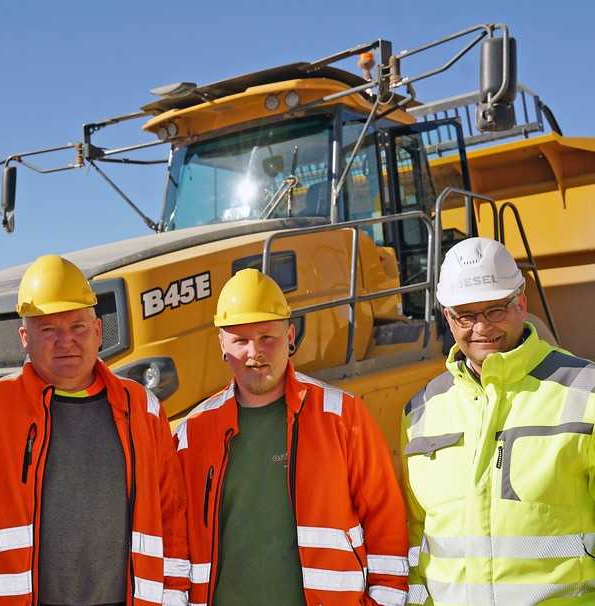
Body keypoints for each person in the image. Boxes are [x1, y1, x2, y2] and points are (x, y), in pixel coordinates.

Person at [0, 254, 188, 606]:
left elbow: (173, 518)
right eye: (48, 329)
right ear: (25, 337)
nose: (65, 341)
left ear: (99, 331)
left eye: (78, 327)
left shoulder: (142, 409)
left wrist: (173, 599)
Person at [174, 268, 409, 606]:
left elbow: (386, 524)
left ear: (290, 335)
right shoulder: (192, 434)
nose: (254, 352)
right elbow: (175, 543)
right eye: (240, 340)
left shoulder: (342, 416)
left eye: (267, 336)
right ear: (222, 345)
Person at [403, 237, 595, 605]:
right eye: (466, 315)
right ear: (448, 317)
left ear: (521, 303)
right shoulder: (420, 414)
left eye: (495, 310)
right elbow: (417, 541)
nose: (481, 328)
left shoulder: (586, 395)